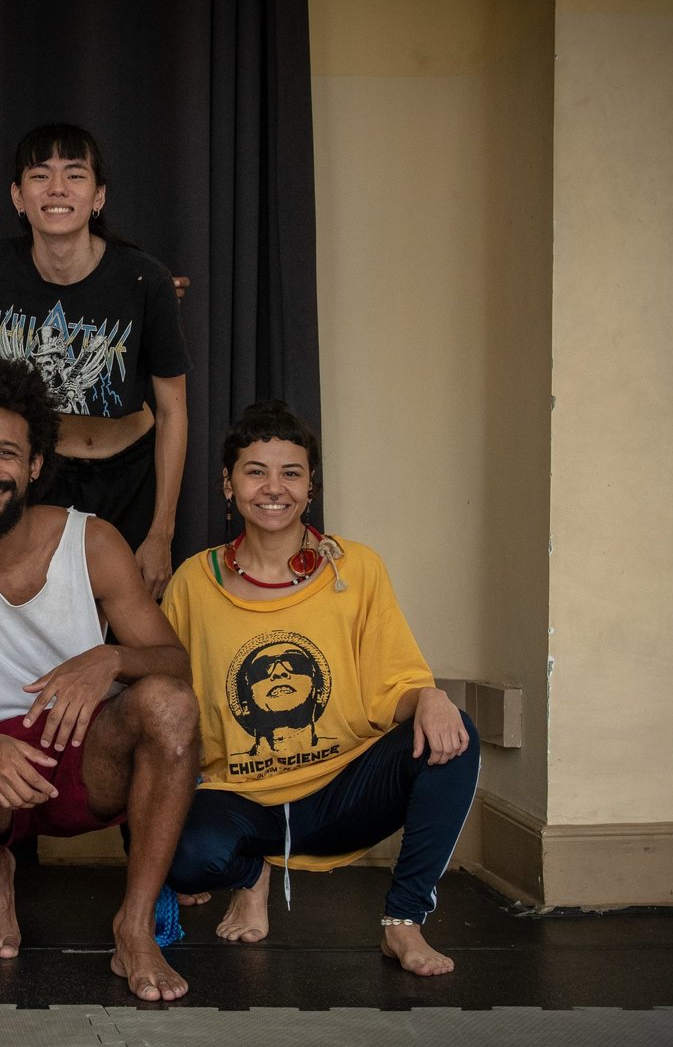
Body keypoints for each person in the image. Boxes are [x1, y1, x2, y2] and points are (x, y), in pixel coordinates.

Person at [0, 358, 200, 1002]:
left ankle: (133, 926)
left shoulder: (94, 543)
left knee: (169, 706)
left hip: (89, 755)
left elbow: (176, 666)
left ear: (33, 465)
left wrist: (110, 659)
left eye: (6, 454)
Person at [160, 399, 479, 977]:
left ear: (312, 487)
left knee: (454, 733)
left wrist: (430, 696)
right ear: (227, 485)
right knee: (185, 858)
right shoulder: (193, 581)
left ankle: (403, 924)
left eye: (291, 472)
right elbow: (170, 697)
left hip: (341, 791)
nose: (273, 488)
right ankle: (250, 874)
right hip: (241, 798)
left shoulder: (355, 569)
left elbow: (396, 686)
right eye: (255, 471)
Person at [0, 124, 189, 599]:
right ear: (17, 195)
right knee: (27, 622)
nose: (57, 189)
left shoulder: (142, 279)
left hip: (126, 479)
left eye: (74, 175)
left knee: (121, 626)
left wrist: (162, 532)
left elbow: (174, 410)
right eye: (40, 175)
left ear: (98, 197)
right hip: (32, 477)